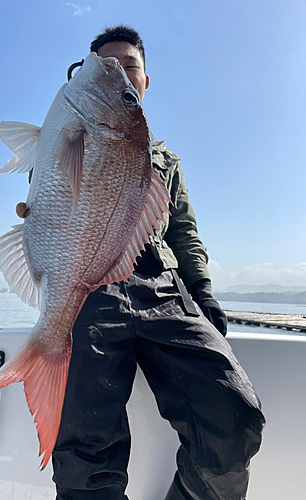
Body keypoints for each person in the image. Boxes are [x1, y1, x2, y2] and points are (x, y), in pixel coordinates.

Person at [51, 25, 265, 500]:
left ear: (145, 82)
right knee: (85, 450)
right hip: (93, 288)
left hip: (163, 288)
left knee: (233, 416)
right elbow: (46, 187)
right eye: (103, 68)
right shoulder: (71, 137)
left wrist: (202, 290)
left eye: (128, 66)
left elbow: (184, 231)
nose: (118, 74)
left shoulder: (166, 158)